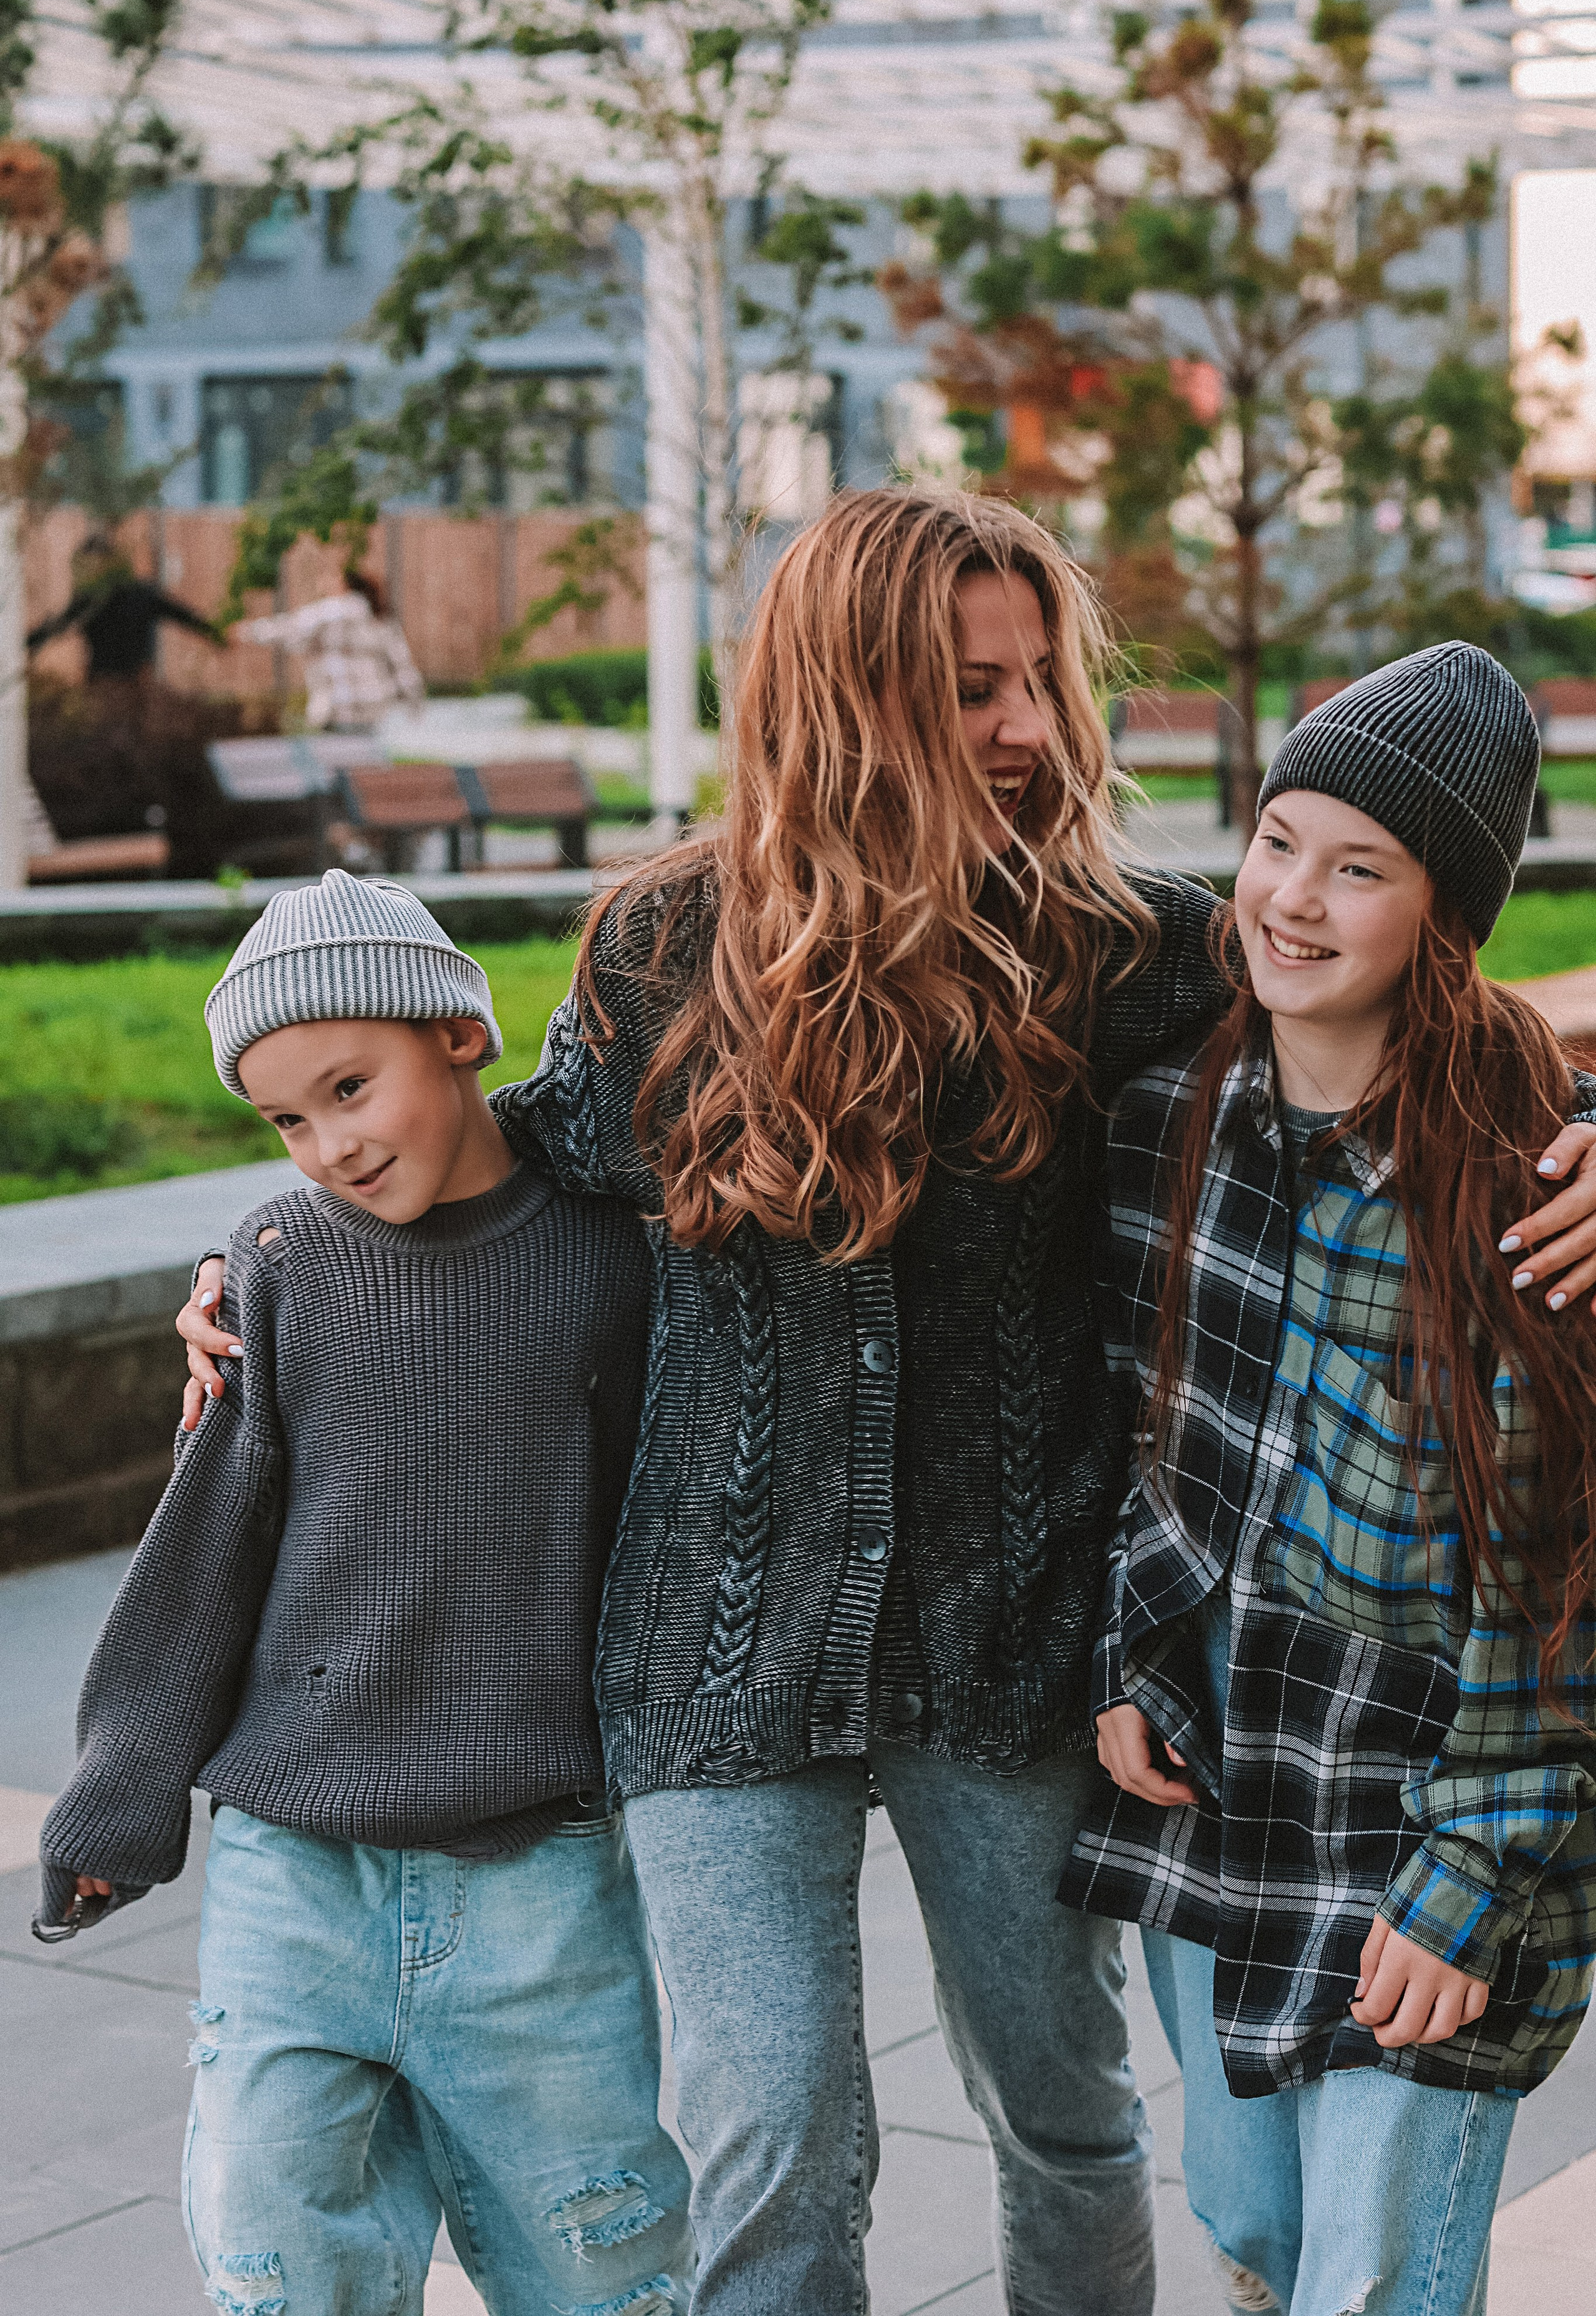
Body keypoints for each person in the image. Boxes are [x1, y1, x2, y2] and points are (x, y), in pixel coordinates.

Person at [176, 497, 1596, 2316]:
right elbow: (499, 1167)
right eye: (970, 687)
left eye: (1038, 681)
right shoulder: (660, 949)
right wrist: (269, 1257)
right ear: (843, 696)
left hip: (1010, 1644)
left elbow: (1418, 1031)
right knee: (766, 2133)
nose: (1027, 726)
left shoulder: (1127, 952)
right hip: (715, 1648)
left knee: (1056, 2109)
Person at [35, 870, 693, 2316]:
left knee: (600, 2259)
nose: (327, 1144)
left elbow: (677, 1519)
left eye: (349, 1087)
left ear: (458, 1033)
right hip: (294, 1870)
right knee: (275, 2244)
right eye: (286, 1119)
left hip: (540, 1880)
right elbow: (206, 1542)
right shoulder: (277, 1268)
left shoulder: (610, 1259)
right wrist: (116, 1794)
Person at [1064, 644, 1596, 2316]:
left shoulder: (1530, 1191)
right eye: (1277, 839)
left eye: (1359, 869)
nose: (1291, 897)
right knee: (1256, 2232)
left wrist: (1471, 1874)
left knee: (1370, 2280)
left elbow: (1559, 1584)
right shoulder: (1171, 1115)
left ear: (1445, 919)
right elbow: (1140, 1425)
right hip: (1225, 1768)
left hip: (1440, 1792)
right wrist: (1134, 1654)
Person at [234, 567, 425, 733]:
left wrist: (245, 631)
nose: (324, 586)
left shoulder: (327, 614)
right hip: (375, 712)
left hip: (335, 711)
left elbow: (288, 629)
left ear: (344, 586)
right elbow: (405, 671)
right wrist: (416, 708)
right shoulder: (382, 621)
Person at [27, 531, 221, 676]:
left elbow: (56, 626)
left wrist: (28, 643)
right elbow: (183, 615)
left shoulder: (92, 601)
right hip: (128, 683)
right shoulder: (137, 595)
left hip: (112, 683)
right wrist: (215, 633)